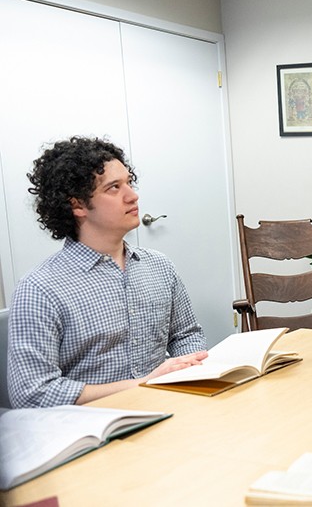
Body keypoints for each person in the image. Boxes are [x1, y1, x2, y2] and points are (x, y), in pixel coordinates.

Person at [6, 136, 208, 408]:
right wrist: (144, 384)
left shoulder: (160, 266)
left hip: (167, 410)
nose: (133, 195)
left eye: (129, 183)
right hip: (88, 431)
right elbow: (32, 393)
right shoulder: (40, 288)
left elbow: (185, 334)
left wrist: (190, 369)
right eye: (114, 188)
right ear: (77, 205)